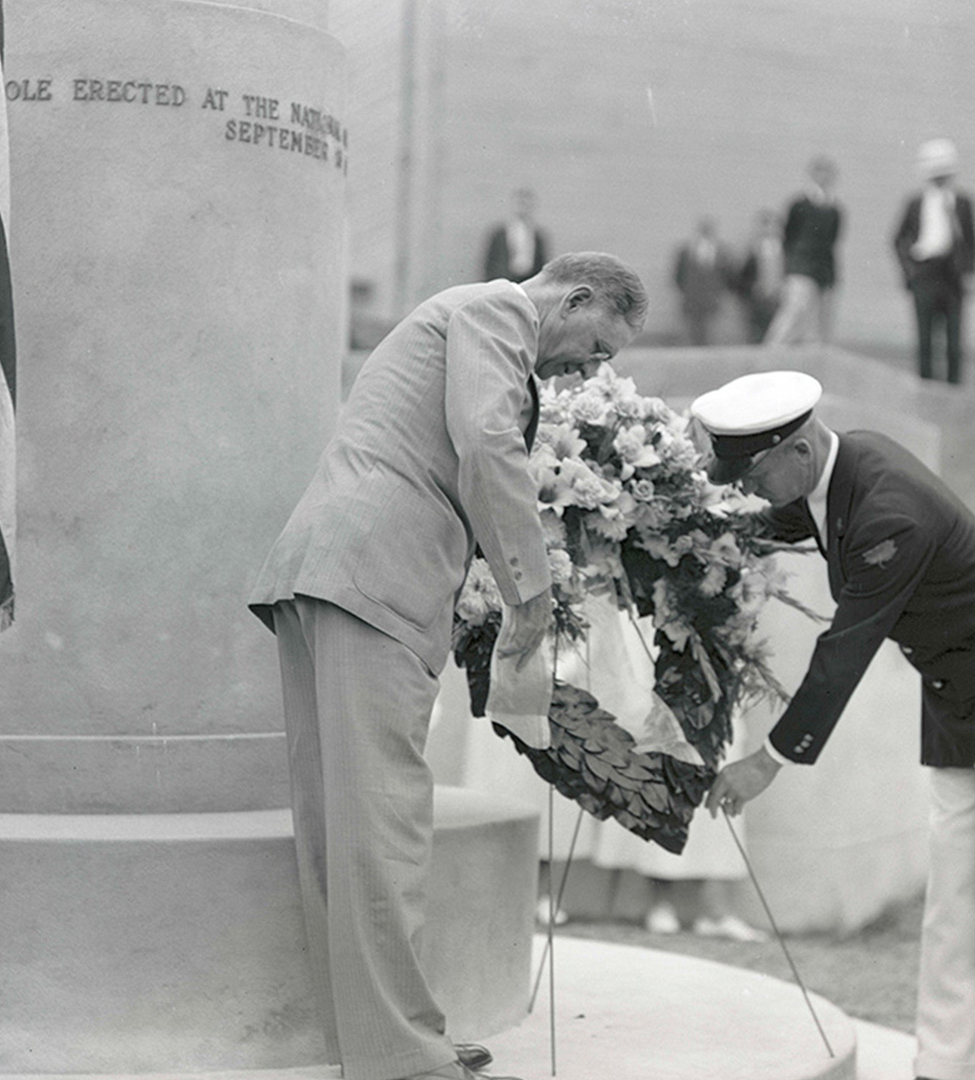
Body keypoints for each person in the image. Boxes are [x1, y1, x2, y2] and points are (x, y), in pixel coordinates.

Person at [249, 253, 649, 1080]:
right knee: (383, 825)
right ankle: (404, 1057)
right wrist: (530, 593)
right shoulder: (496, 315)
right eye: (599, 347)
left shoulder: (466, 315)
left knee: (347, 830)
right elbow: (488, 441)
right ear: (574, 297)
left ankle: (384, 1040)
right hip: (372, 579)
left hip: (334, 573)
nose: (588, 371)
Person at [691, 370, 975, 1080]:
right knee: (957, 896)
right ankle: (943, 1066)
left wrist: (765, 761)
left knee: (961, 896)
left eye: (752, 475)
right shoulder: (842, 467)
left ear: (798, 452)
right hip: (958, 701)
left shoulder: (891, 515)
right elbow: (776, 521)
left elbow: (843, 651)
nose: (749, 490)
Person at [893, 138, 975, 385]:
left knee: (953, 340)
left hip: (952, 276)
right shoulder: (916, 203)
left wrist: (968, 271)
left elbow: (971, 241)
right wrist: (910, 272)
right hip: (925, 274)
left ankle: (953, 390)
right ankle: (925, 387)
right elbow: (898, 239)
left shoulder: (961, 203)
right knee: (925, 338)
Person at [764, 156, 843, 345]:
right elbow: (788, 237)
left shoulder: (834, 210)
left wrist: (831, 275)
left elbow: (832, 242)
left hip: (822, 270)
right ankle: (771, 350)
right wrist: (787, 268)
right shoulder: (799, 205)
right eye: (819, 172)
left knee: (818, 321)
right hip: (801, 266)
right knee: (795, 309)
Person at [672, 216, 732, 346]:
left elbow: (726, 275)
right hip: (692, 296)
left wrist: (718, 291)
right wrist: (687, 290)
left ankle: (710, 349)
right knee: (693, 327)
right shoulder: (687, 251)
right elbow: (678, 275)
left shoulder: (721, 252)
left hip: (712, 296)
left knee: (711, 328)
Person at [735, 209, 786, 344]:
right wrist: (751, 289)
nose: (769, 229)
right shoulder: (753, 249)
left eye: (772, 225)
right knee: (756, 334)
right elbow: (742, 275)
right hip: (757, 299)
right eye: (765, 225)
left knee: (777, 333)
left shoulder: (784, 248)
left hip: (778, 297)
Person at [483, 188, 550, 283]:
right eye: (520, 204)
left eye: (526, 205)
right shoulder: (499, 233)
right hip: (504, 280)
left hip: (528, 280)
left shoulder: (538, 235)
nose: (523, 208)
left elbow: (541, 263)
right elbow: (489, 262)